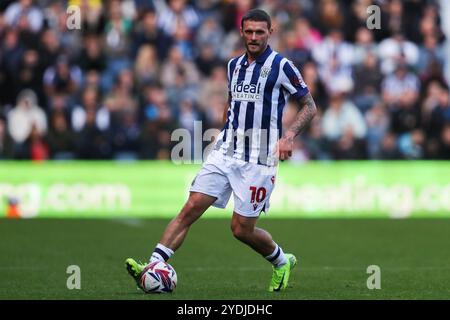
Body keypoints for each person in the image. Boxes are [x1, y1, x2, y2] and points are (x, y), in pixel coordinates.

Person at [125, 9, 317, 292]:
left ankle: (280, 260)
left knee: (241, 229)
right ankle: (154, 264)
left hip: (259, 159)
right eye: (249, 31)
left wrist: (288, 137)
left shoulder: (282, 66)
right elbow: (232, 103)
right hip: (226, 150)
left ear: (270, 33)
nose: (253, 37)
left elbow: (310, 106)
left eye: (259, 32)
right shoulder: (233, 66)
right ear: (241, 32)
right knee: (191, 206)